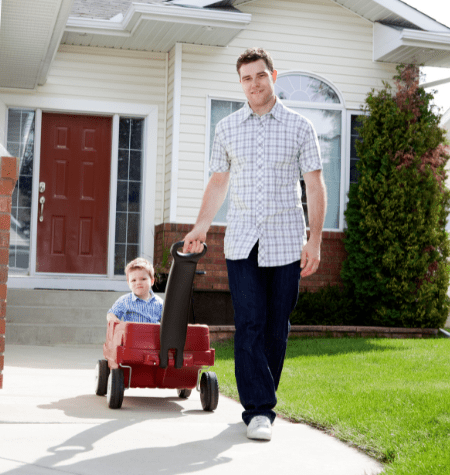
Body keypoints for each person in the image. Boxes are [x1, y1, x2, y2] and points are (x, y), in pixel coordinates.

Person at [183, 47, 327, 441]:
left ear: (273, 75)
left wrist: (314, 241)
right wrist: (200, 227)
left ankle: (261, 399)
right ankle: (259, 410)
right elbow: (218, 181)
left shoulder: (300, 127)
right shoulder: (227, 128)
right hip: (242, 241)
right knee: (249, 323)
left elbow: (314, 185)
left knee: (276, 328)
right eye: (246, 78)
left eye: (259, 75)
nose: (253, 84)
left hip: (285, 241)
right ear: (240, 82)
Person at [107, 258, 163, 324]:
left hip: (152, 333)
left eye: (143, 279)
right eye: (134, 280)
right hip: (132, 333)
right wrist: (115, 321)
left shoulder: (160, 303)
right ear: (128, 283)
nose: (138, 283)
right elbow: (111, 314)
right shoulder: (125, 300)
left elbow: (167, 321)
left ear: (152, 281)